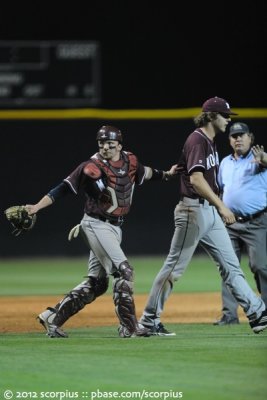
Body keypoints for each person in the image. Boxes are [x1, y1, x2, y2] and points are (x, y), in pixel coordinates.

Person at [26, 125, 177, 338]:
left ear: (120, 145)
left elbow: (147, 173)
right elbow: (62, 188)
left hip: (115, 227)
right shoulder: (91, 166)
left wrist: (167, 175)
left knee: (98, 283)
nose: (105, 147)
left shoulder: (130, 160)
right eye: (102, 143)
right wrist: (35, 208)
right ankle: (129, 327)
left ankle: (53, 318)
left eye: (110, 144)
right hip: (96, 224)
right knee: (125, 271)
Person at [139, 96, 267, 336]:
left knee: (231, 267)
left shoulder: (209, 142)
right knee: (174, 267)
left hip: (207, 213)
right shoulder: (198, 140)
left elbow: (182, 169)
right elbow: (196, 180)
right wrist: (222, 206)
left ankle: (257, 312)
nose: (228, 120)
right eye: (225, 115)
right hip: (193, 211)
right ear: (211, 116)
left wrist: (172, 173)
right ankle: (148, 320)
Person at [213, 122, 267, 325]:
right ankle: (229, 315)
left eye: (242, 135)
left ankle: (265, 309)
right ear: (229, 140)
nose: (238, 139)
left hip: (257, 222)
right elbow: (220, 189)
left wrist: (264, 159)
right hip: (230, 224)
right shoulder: (225, 162)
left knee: (260, 266)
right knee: (228, 268)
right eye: (234, 136)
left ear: (250, 138)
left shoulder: (258, 158)